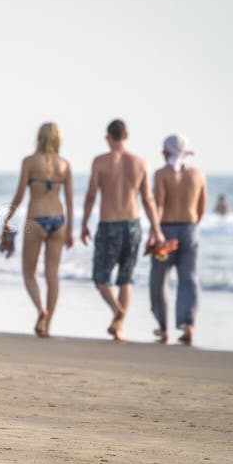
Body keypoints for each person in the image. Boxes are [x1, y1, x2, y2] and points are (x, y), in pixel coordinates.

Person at [81, 119, 164, 341]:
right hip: (133, 225)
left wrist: (84, 223)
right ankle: (118, 327)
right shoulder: (140, 162)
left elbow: (91, 195)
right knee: (125, 279)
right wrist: (156, 229)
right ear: (126, 137)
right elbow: (148, 199)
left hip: (109, 224)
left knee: (101, 277)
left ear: (109, 136)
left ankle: (118, 311)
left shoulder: (100, 161)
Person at [3, 122, 74, 338]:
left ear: (39, 138)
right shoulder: (65, 165)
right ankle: (48, 325)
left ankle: (40, 310)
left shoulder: (30, 162)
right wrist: (70, 230)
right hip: (59, 220)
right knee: (52, 274)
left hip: (35, 219)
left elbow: (19, 194)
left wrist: (8, 218)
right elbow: (70, 201)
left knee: (29, 273)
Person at [150, 134, 206, 345]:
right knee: (189, 278)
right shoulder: (198, 174)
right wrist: (191, 225)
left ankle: (163, 327)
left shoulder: (162, 174)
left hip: (166, 230)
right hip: (190, 229)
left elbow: (160, 204)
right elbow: (201, 207)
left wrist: (154, 232)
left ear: (168, 151)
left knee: (159, 279)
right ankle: (187, 324)